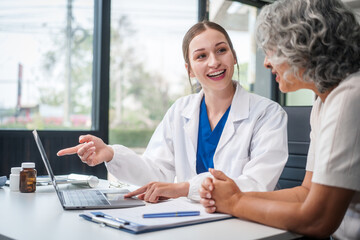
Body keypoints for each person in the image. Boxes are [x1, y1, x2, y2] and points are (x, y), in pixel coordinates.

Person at [57, 21, 288, 203]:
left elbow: (256, 184)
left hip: (246, 224)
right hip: (192, 221)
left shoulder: (267, 114)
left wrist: (184, 188)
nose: (214, 62)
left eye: (221, 50)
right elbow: (157, 174)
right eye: (201, 56)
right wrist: (110, 154)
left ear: (234, 56)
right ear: (189, 69)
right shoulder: (180, 111)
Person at [199, 0, 360, 239]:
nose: (266, 62)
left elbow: (318, 220)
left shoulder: (350, 97)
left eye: (272, 50)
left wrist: (233, 203)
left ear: (304, 46)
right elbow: (306, 192)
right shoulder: (323, 103)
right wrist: (235, 195)